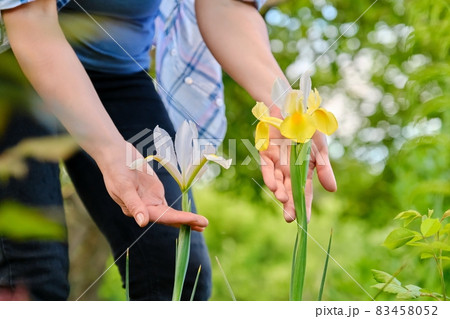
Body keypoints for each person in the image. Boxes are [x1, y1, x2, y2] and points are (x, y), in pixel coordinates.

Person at [0, 0, 336, 300]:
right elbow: (30, 16)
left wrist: (286, 106)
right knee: (32, 274)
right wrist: (111, 152)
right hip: (14, 53)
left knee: (176, 270)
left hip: (116, 71)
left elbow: (224, 5)